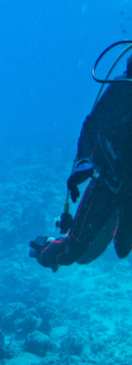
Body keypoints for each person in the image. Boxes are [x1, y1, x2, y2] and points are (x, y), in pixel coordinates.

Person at [31, 42, 132, 269]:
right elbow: (91, 124)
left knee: (123, 247)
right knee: (73, 254)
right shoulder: (122, 89)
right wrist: (85, 161)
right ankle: (45, 248)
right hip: (109, 181)